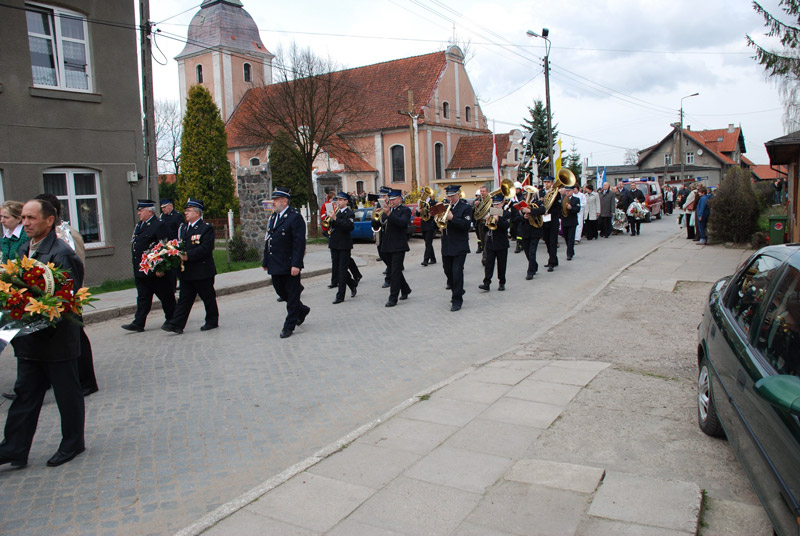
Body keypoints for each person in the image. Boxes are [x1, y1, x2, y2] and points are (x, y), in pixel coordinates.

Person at [0, 199, 85, 467]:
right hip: (30, 342)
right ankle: (14, 448)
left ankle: (73, 443)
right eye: (23, 218)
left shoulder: (61, 253)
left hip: (56, 341)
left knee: (66, 394)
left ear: (49, 221)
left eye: (31, 218)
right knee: (25, 395)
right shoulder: (25, 248)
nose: (25, 223)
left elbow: (65, 300)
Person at [33, 193, 97, 397]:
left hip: (69, 296)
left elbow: (76, 265)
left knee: (76, 336)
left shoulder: (67, 235)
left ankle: (87, 381)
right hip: (50, 297)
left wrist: (72, 294)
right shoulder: (44, 238)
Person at [161, 198, 219, 334]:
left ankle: (212, 320)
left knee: (208, 297)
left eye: (189, 211)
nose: (185, 213)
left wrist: (189, 255)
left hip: (202, 271)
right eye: (185, 211)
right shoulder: (183, 229)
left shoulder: (206, 228)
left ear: (197, 213)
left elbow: (206, 248)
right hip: (187, 272)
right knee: (184, 299)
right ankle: (176, 324)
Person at [121, 200, 177, 333]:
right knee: (143, 298)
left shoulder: (159, 225)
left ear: (150, 211)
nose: (139, 212)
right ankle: (138, 323)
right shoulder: (140, 226)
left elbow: (164, 247)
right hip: (142, 270)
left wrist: (161, 267)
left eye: (141, 210)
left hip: (155, 271)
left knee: (166, 296)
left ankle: (173, 319)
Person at [262, 187, 309, 339]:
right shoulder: (273, 217)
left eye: (276, 200)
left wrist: (296, 264)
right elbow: (268, 240)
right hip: (275, 263)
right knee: (280, 291)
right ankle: (301, 310)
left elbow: (299, 243)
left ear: (284, 201)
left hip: (289, 264)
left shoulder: (294, 218)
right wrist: (265, 259)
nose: (273, 203)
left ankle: (289, 325)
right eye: (273, 200)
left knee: (292, 294)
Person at [440, 185, 471, 311]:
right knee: (448, 272)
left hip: (459, 245)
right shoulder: (443, 207)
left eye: (452, 195)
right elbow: (435, 222)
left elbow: (467, 225)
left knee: (457, 272)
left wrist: (453, 218)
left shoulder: (466, 208)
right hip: (446, 245)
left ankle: (457, 300)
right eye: (448, 195)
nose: (450, 198)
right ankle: (458, 290)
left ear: (458, 194)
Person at [380, 189, 412, 307]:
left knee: (394, 272)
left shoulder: (405, 210)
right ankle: (405, 289)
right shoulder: (386, 211)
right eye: (390, 199)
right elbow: (379, 225)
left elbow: (402, 223)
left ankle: (393, 298)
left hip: (399, 246)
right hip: (386, 245)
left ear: (399, 199)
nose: (391, 201)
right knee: (395, 270)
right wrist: (376, 218)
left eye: (393, 199)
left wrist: (389, 214)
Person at [328, 192, 358, 304]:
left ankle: (340, 295)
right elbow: (330, 226)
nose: (338, 202)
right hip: (334, 243)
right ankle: (352, 283)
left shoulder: (349, 213)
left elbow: (349, 226)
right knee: (337, 270)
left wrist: (335, 219)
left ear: (346, 201)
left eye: (341, 200)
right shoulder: (334, 212)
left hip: (344, 245)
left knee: (342, 270)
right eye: (337, 200)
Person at [479, 194, 511, 291]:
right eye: (494, 204)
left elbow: (506, 226)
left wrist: (498, 219)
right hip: (491, 243)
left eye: (498, 204)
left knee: (501, 265)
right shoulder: (490, 213)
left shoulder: (506, 214)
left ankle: (502, 283)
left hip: (502, 244)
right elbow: (485, 228)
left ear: (502, 203)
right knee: (489, 264)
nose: (496, 206)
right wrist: (487, 221)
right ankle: (486, 283)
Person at [517, 188, 546, 280]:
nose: (526, 196)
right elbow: (516, 217)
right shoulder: (522, 204)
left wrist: (530, 211)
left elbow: (542, 210)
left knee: (532, 252)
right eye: (525, 195)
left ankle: (530, 272)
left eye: (528, 194)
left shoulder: (538, 203)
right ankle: (534, 265)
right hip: (525, 231)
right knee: (527, 252)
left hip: (535, 231)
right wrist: (523, 215)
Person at [371, 187, 392, 288]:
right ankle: (390, 267)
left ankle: (389, 278)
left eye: (384, 196)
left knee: (390, 256)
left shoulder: (391, 204)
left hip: (391, 233)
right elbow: (374, 219)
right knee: (382, 253)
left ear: (388, 196)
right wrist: (375, 221)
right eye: (381, 196)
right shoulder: (378, 205)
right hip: (382, 232)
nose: (382, 197)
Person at [540, 177, 561, 271]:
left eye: (548, 182)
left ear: (552, 183)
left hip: (553, 220)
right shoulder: (541, 193)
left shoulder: (557, 193)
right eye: (545, 182)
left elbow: (558, 207)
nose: (546, 184)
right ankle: (554, 259)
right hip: (544, 220)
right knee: (547, 241)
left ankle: (551, 262)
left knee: (553, 241)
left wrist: (549, 210)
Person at [560, 187, 581, 260]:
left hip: (572, 221)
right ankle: (571, 250)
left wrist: (571, 208)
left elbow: (577, 209)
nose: (567, 192)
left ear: (572, 191)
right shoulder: (563, 199)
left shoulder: (576, 199)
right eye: (566, 191)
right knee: (566, 237)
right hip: (565, 221)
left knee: (571, 238)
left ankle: (569, 254)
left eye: (569, 191)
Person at [420, 190, 437, 266]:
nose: (422, 194)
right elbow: (418, 214)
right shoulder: (421, 202)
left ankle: (425, 260)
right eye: (421, 193)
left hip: (431, 225)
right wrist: (419, 210)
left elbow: (437, 212)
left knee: (428, 243)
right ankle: (433, 258)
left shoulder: (433, 202)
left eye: (423, 193)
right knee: (428, 243)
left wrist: (431, 213)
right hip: (424, 224)